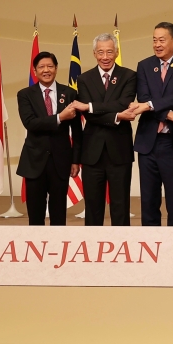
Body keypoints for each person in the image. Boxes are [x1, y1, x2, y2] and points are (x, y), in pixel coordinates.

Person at [130, 22, 173, 226]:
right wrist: (169, 114)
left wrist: (152, 106)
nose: (157, 44)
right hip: (148, 142)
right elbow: (143, 96)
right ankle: (152, 245)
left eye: (162, 40)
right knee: (149, 200)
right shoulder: (144, 65)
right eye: (154, 40)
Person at [67, 33, 137, 226]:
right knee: (93, 205)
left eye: (109, 52)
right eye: (100, 52)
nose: (105, 57)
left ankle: (121, 248)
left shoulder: (129, 76)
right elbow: (90, 117)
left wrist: (90, 106)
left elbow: (123, 103)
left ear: (116, 52)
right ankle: (92, 247)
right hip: (92, 152)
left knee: (120, 205)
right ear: (94, 53)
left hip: (119, 150)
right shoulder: (84, 79)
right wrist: (116, 116)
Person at [16, 51, 82, 226]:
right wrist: (60, 117)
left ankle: (57, 249)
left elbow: (77, 131)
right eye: (41, 67)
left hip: (61, 160)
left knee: (59, 212)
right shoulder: (25, 94)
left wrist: (76, 160)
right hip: (34, 160)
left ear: (56, 68)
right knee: (35, 213)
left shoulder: (69, 93)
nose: (46, 70)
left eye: (50, 66)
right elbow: (30, 123)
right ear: (35, 71)